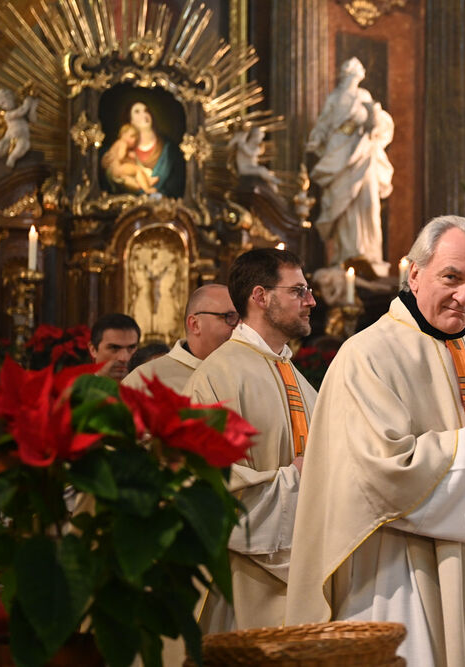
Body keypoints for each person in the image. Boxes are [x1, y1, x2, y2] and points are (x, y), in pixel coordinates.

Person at [286, 216, 465, 666]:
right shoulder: (366, 356)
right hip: (400, 572)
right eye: (452, 277)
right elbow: (378, 472)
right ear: (414, 274)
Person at [184, 248, 317, 631]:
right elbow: (206, 489)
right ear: (260, 296)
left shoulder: (299, 379)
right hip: (242, 588)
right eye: (298, 291)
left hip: (303, 578)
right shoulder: (216, 377)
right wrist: (297, 478)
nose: (311, 301)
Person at [306, 56, 394, 277]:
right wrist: (317, 138)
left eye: (356, 73)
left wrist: (373, 121)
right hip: (339, 150)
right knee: (343, 204)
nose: (353, 77)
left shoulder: (364, 95)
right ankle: (345, 255)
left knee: (368, 202)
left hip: (363, 150)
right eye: (349, 73)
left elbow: (377, 121)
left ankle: (370, 255)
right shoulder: (335, 97)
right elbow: (324, 123)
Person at [123, 284, 238, 393]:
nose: (240, 326)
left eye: (243, 318)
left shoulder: (245, 371)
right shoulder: (143, 381)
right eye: (231, 317)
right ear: (195, 324)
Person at [103, 100, 184, 197]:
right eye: (137, 112)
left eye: (146, 111)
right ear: (131, 121)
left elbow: (177, 184)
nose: (144, 114)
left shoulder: (169, 149)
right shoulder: (123, 146)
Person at [0, 87, 39, 170]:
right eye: (1, 105)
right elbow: (22, 110)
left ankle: (12, 158)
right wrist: (27, 102)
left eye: (4, 103)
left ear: (11, 98)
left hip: (22, 136)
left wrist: (33, 106)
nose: (3, 107)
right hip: (9, 136)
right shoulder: (7, 115)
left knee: (24, 145)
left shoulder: (23, 112)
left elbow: (33, 120)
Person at [101, 123, 159, 194]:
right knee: (137, 170)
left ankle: (145, 182)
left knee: (133, 183)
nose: (134, 140)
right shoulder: (123, 143)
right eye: (132, 136)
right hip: (118, 169)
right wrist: (128, 156)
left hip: (114, 170)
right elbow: (120, 157)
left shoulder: (116, 143)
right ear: (123, 134)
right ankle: (147, 189)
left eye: (136, 139)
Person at [88, 313, 140, 381]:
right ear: (93, 350)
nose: (124, 358)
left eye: (131, 348)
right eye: (114, 348)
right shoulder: (77, 386)